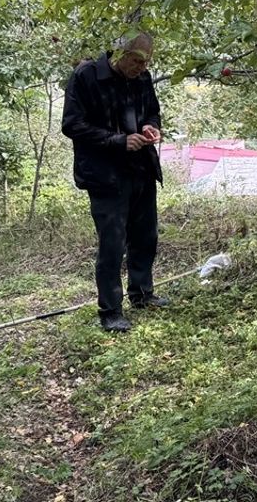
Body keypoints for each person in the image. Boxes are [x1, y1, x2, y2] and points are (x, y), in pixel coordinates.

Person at [61, 32, 168, 332]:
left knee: (146, 236)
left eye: (146, 63)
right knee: (112, 244)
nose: (141, 69)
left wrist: (150, 127)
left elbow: (152, 112)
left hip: (141, 169)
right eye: (136, 61)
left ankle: (142, 293)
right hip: (105, 175)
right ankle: (110, 311)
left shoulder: (142, 79)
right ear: (119, 54)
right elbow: (71, 124)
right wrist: (117, 141)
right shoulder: (87, 76)